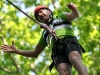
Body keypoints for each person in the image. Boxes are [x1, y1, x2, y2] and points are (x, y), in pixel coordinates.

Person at [1, 2, 88, 75]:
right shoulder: (45, 34)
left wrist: (74, 9)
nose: (40, 15)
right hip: (57, 51)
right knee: (63, 71)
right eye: (38, 16)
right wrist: (16, 51)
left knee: (75, 59)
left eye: (41, 11)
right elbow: (35, 53)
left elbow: (74, 16)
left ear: (49, 11)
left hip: (68, 42)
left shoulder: (61, 17)